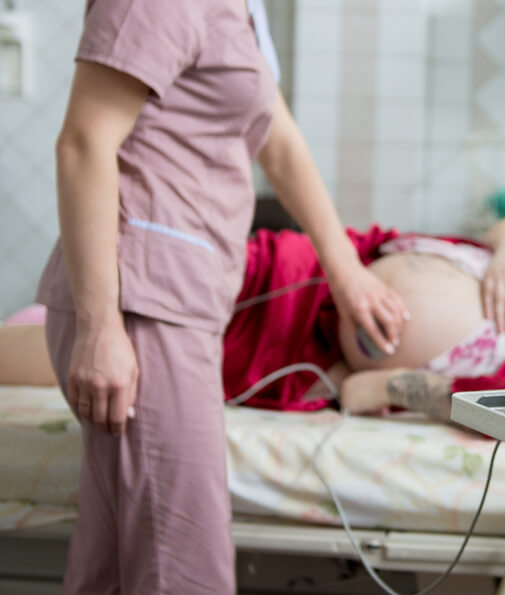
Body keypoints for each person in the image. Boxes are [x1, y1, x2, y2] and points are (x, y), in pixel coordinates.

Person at [34, 1, 408, 592]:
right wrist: (101, 326)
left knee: (111, 570)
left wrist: (346, 271)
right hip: (140, 304)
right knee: (184, 571)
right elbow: (83, 142)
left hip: (177, 304)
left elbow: (278, 141)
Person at [5, 215, 505, 423]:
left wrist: (375, 388)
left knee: (120, 356)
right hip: (306, 271)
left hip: (292, 357)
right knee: (122, 280)